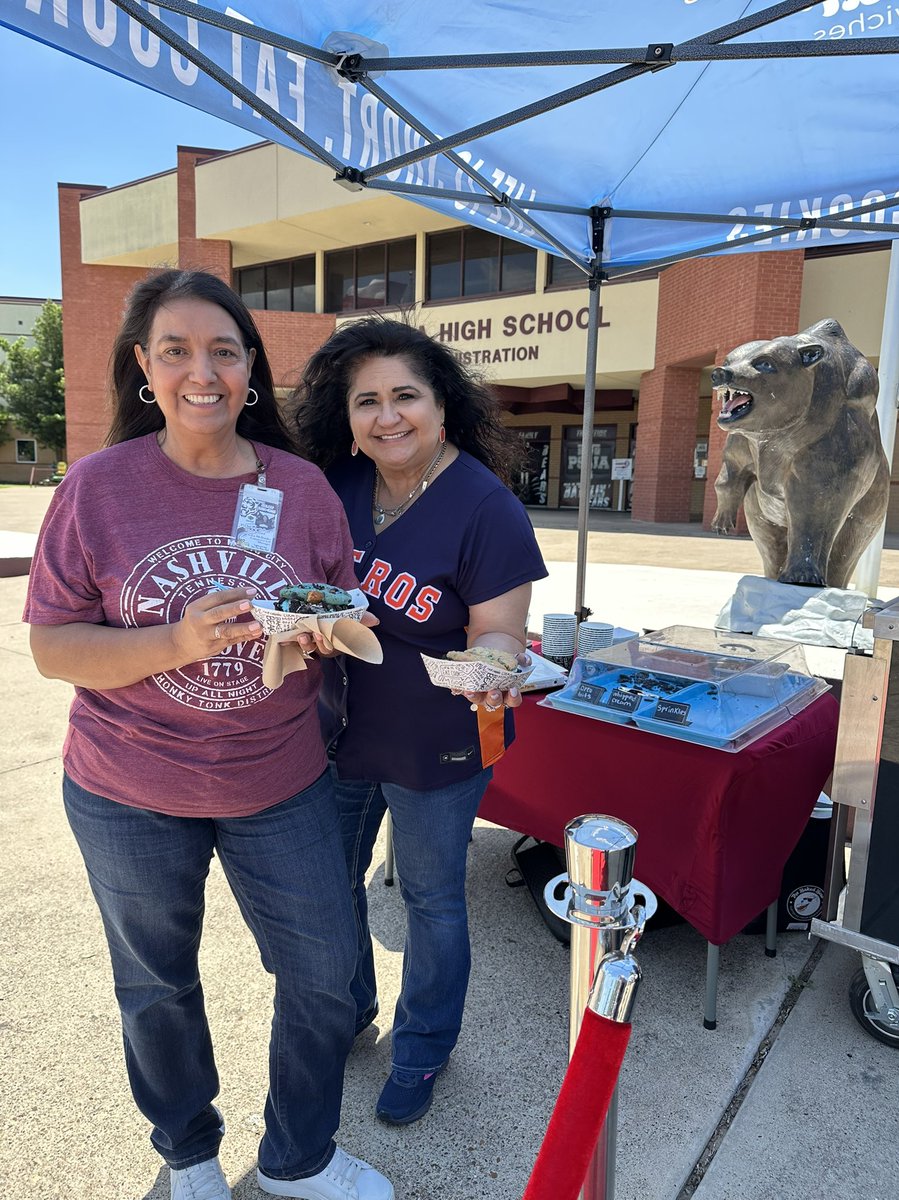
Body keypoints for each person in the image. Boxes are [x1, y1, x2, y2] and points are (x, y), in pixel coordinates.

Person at [23, 270, 393, 1200]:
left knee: (325, 972)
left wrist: (329, 630)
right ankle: (188, 1151)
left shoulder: (300, 487)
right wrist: (177, 642)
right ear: (144, 367)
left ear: (250, 369)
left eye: (224, 350)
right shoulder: (97, 486)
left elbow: (339, 605)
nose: (203, 371)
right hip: (126, 787)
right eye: (177, 350)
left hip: (280, 778)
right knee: (156, 983)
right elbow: (53, 649)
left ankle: (297, 1157)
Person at [292, 317, 548, 1126]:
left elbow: (500, 630)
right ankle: (349, 1010)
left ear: (442, 406)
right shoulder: (337, 484)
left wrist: (494, 667)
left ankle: (424, 1047)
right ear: (347, 416)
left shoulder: (486, 507)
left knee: (432, 899)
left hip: (438, 742)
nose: (387, 416)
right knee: (331, 887)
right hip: (336, 733)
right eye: (366, 400)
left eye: (405, 395)